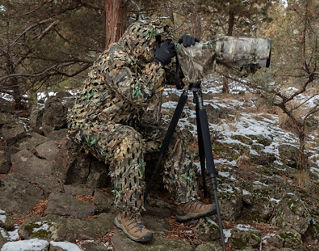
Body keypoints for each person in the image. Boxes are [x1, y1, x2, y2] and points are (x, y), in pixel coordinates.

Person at [67, 19, 215, 243]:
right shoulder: (114, 60)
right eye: (153, 46)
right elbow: (139, 94)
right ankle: (127, 215)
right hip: (88, 124)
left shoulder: (139, 59)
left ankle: (186, 202)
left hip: (120, 121)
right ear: (140, 44)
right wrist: (158, 61)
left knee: (172, 137)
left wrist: (183, 53)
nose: (155, 50)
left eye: (157, 47)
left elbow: (174, 79)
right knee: (129, 141)